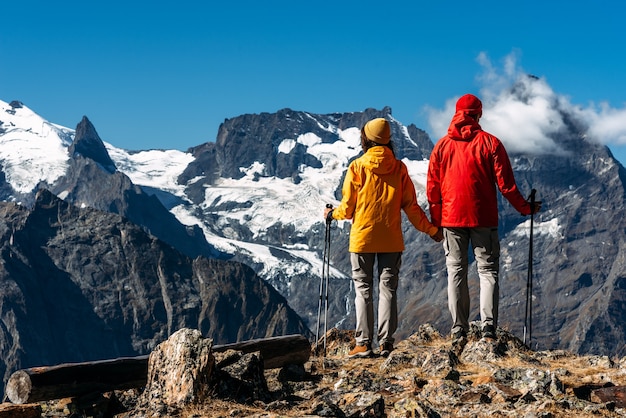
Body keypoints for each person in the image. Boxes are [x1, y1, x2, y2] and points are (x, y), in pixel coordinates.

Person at [324, 117, 443, 358]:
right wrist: (431, 230)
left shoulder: (357, 167)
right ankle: (387, 342)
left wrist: (331, 214)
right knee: (388, 289)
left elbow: (347, 209)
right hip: (391, 240)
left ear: (366, 138)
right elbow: (411, 207)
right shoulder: (399, 168)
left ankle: (363, 344)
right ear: (388, 139)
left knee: (363, 290)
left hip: (363, 239)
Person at [426, 93, 541, 343]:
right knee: (487, 271)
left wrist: (436, 222)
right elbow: (506, 186)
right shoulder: (491, 143)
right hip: (483, 218)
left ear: (456, 114)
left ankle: (459, 328)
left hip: (451, 220)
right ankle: (488, 327)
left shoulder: (442, 146)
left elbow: (433, 191)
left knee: (455, 271)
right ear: (478, 114)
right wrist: (526, 209)